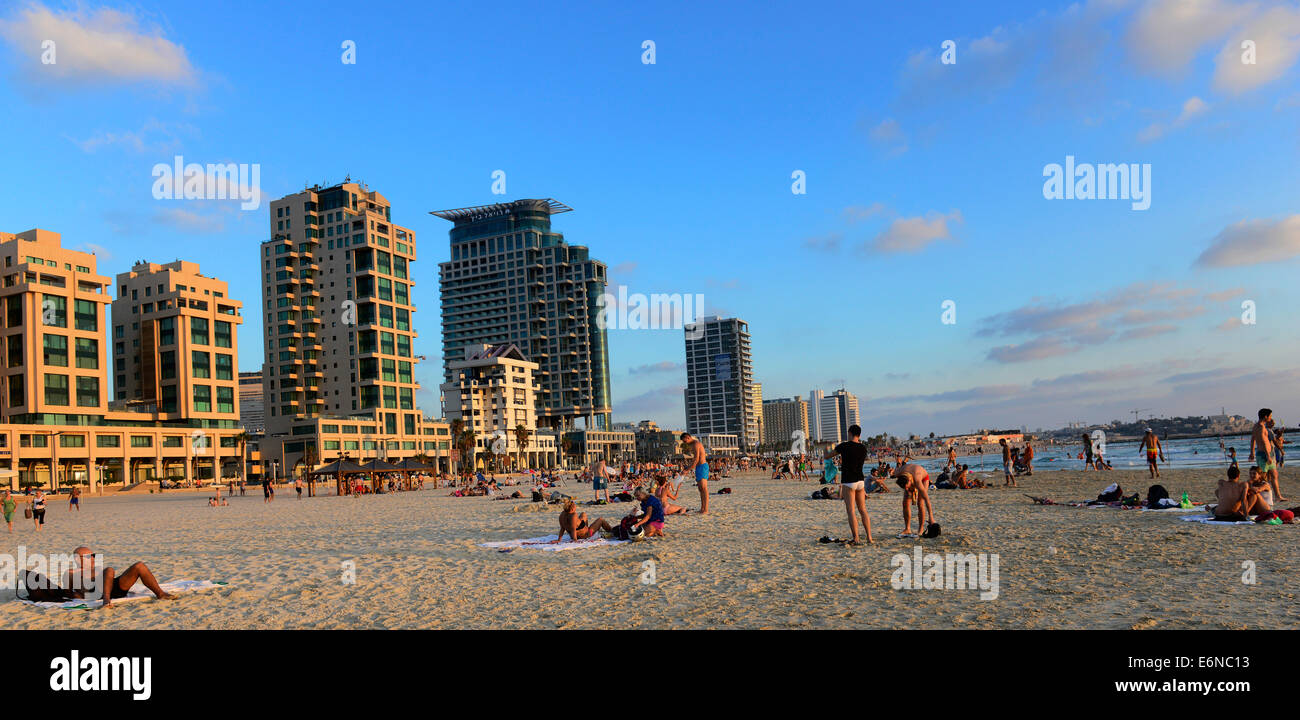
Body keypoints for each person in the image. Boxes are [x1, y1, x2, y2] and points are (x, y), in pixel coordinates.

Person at [827, 424, 874, 545]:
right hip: (860, 480)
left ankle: (856, 538)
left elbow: (828, 456)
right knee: (863, 510)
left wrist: (827, 451)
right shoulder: (863, 448)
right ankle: (869, 537)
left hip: (849, 481)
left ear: (850, 433)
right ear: (859, 435)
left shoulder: (844, 446)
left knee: (851, 510)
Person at [1251, 408, 1285, 502]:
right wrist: (1268, 456)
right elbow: (1263, 442)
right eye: (1270, 416)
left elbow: (1253, 440)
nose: (1271, 418)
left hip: (1266, 453)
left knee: (1274, 474)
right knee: (1262, 477)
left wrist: (1252, 452)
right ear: (1265, 416)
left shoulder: (1256, 426)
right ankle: (1255, 494)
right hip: (1264, 455)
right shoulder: (1261, 428)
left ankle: (1278, 496)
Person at [893, 462, 934, 536]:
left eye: (907, 487)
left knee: (920, 503)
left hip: (923, 478)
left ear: (909, 481)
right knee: (905, 503)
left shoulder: (917, 479)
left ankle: (920, 529)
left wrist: (931, 516)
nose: (906, 489)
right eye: (904, 488)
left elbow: (927, 499)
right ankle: (907, 529)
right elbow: (894, 470)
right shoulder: (898, 473)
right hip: (908, 475)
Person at [680, 432, 710, 514]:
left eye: (685, 441)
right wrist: (687, 467)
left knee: (704, 488)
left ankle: (706, 509)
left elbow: (696, 459)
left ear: (688, 437)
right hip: (698, 467)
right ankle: (702, 508)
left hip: (703, 466)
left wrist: (687, 470)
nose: (685, 443)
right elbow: (694, 459)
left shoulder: (696, 444)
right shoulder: (692, 445)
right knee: (700, 489)